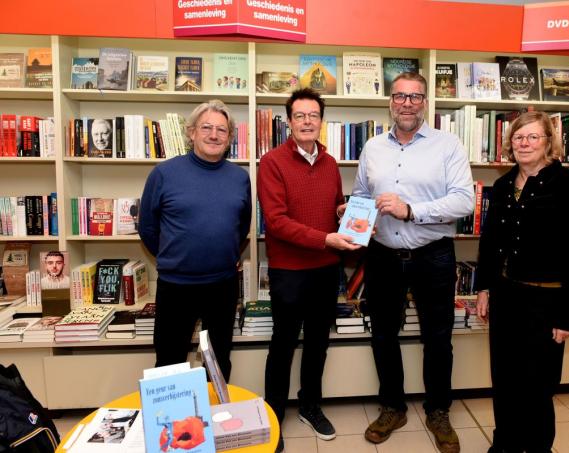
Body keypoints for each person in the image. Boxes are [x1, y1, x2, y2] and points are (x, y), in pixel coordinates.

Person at [351, 72, 474, 453]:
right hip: (383, 256)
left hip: (432, 256)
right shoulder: (372, 147)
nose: (407, 103)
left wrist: (411, 211)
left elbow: (463, 202)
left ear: (425, 102)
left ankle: (438, 411)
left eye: (415, 97)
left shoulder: (448, 145)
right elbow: (361, 193)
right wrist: (356, 216)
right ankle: (393, 407)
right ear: (390, 101)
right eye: (400, 96)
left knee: (437, 339)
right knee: (383, 335)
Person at [475, 111, 569, 453]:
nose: (524, 143)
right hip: (506, 296)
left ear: (548, 142)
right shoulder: (501, 185)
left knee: (539, 385)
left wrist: (568, 316)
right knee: (505, 379)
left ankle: (539, 447)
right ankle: (506, 444)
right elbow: (490, 242)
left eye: (532, 137)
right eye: (518, 138)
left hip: (548, 302)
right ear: (510, 144)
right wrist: (484, 288)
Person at [257, 88, 360, 453]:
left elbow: (333, 206)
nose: (306, 121)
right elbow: (277, 222)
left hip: (326, 269)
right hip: (290, 271)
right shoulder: (271, 162)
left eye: (313, 115)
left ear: (321, 120)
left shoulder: (331, 163)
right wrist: (327, 239)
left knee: (318, 344)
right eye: (299, 116)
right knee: (283, 346)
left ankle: (310, 407)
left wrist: (343, 215)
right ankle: (273, 416)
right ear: (288, 122)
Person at [139, 100, 251, 381]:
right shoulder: (164, 174)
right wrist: (176, 258)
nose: (214, 135)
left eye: (222, 130)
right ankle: (171, 423)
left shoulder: (240, 178)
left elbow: (242, 227)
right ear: (191, 133)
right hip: (176, 287)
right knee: (169, 360)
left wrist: (218, 255)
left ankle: (215, 418)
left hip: (222, 286)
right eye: (207, 128)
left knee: (218, 359)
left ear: (229, 138)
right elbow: (148, 229)